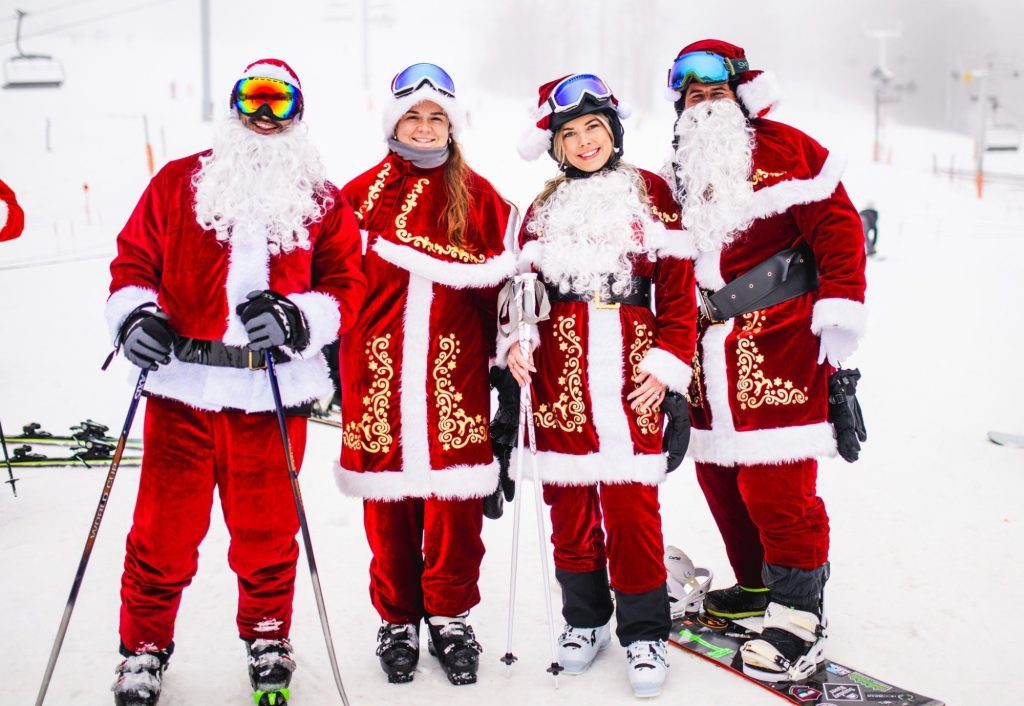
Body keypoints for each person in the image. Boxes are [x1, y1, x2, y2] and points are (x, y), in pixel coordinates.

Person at [104, 58, 366, 706]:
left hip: (269, 398)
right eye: (254, 98)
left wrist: (298, 318)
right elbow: (132, 260)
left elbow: (346, 286)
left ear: (298, 114)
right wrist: (134, 316)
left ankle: (269, 636)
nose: (265, 114)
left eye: (281, 102)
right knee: (161, 536)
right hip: (182, 390)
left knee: (268, 537)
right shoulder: (176, 183)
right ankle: (142, 647)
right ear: (233, 106)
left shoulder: (322, 200)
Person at [662, 40, 867, 682]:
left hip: (779, 344)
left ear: (743, 95)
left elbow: (838, 228)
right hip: (706, 352)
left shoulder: (788, 150)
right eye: (693, 97)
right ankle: (755, 586)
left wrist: (839, 312)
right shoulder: (677, 170)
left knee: (777, 486)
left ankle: (799, 615)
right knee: (720, 476)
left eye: (716, 93)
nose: (704, 105)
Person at [510, 73, 698, 698]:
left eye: (594, 128)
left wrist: (669, 365)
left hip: (630, 368)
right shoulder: (541, 208)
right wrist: (516, 341)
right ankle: (584, 619)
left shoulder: (652, 195)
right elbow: (521, 295)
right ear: (556, 147)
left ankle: (644, 631)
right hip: (558, 372)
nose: (585, 141)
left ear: (613, 132)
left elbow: (677, 289)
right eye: (570, 133)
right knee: (567, 504)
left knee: (630, 506)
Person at [334, 63, 517, 687]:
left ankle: (450, 614)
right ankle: (397, 618)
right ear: (393, 121)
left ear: (453, 126)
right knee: (387, 506)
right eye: (413, 115)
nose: (424, 125)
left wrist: (508, 375)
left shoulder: (485, 200)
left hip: (454, 380)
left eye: (437, 116)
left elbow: (507, 295)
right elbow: (329, 286)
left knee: (455, 506)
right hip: (376, 378)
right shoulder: (353, 198)